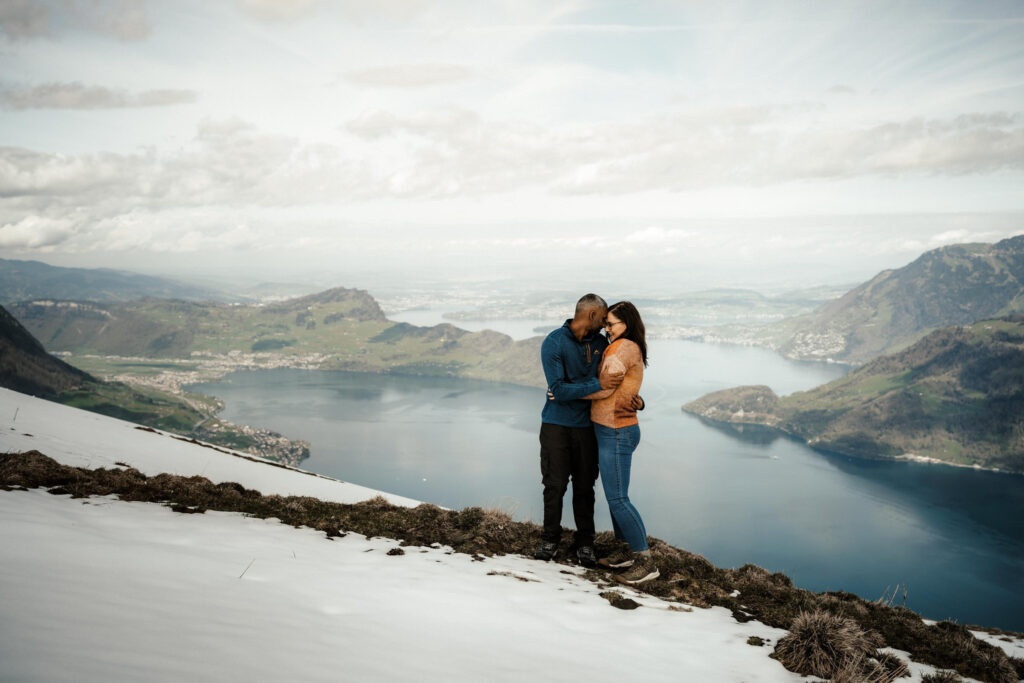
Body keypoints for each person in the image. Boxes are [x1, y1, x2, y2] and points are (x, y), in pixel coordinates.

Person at [534, 294, 622, 567]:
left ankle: (585, 544)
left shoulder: (600, 343)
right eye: (603, 318)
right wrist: (596, 384)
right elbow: (558, 390)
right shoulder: (554, 342)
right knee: (554, 485)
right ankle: (550, 539)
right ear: (592, 315)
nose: (606, 324)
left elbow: (611, 382)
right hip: (556, 427)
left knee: (585, 488)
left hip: (587, 428)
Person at [583, 301, 659, 584]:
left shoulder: (622, 347)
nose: (606, 328)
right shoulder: (630, 346)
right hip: (616, 429)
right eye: (605, 323)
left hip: (616, 432)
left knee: (618, 499)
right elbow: (627, 389)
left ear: (626, 323)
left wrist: (567, 393)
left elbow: (605, 388)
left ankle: (645, 562)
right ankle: (625, 550)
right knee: (617, 495)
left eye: (610, 324)